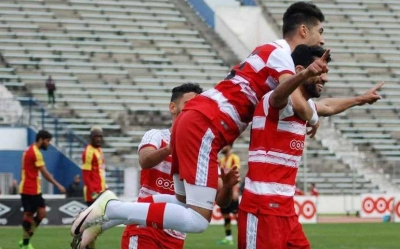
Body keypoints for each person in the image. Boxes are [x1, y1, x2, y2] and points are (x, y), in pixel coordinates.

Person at [71, 2, 330, 240]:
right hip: (206, 125)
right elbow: (297, 102)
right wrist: (314, 116)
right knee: (197, 220)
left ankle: (105, 218)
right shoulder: (281, 52)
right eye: (320, 31)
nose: (322, 38)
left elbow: (296, 100)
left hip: (194, 119)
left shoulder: (271, 51)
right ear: (304, 30)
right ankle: (113, 207)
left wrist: (316, 110)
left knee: (183, 205)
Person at [237, 45, 383, 249]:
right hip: (262, 208)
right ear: (299, 71)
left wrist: (360, 99)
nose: (325, 79)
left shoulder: (305, 109)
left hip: (286, 209)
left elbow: (329, 106)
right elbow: (280, 93)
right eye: (320, 73)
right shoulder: (275, 102)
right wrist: (307, 73)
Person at [19, 130, 66, 249]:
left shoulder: (29, 150)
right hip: (28, 189)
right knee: (29, 215)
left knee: (41, 213)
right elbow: (45, 173)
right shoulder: (35, 153)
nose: (49, 143)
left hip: (35, 189)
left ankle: (26, 239)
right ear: (40, 139)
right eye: (47, 141)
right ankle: (25, 244)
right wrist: (58, 185)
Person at [81, 126, 106, 249]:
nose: (99, 139)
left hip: (100, 191)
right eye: (96, 136)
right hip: (93, 193)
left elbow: (99, 172)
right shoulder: (88, 152)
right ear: (91, 137)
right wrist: (93, 194)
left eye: (100, 136)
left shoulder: (99, 150)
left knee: (95, 224)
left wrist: (104, 188)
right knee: (94, 224)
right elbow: (86, 175)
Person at [217, 144, 241, 245]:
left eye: (225, 145)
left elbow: (236, 174)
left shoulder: (234, 158)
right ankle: (229, 238)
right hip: (225, 192)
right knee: (226, 215)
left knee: (237, 216)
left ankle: (242, 236)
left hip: (232, 191)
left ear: (229, 146)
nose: (222, 147)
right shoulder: (222, 160)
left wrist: (235, 191)